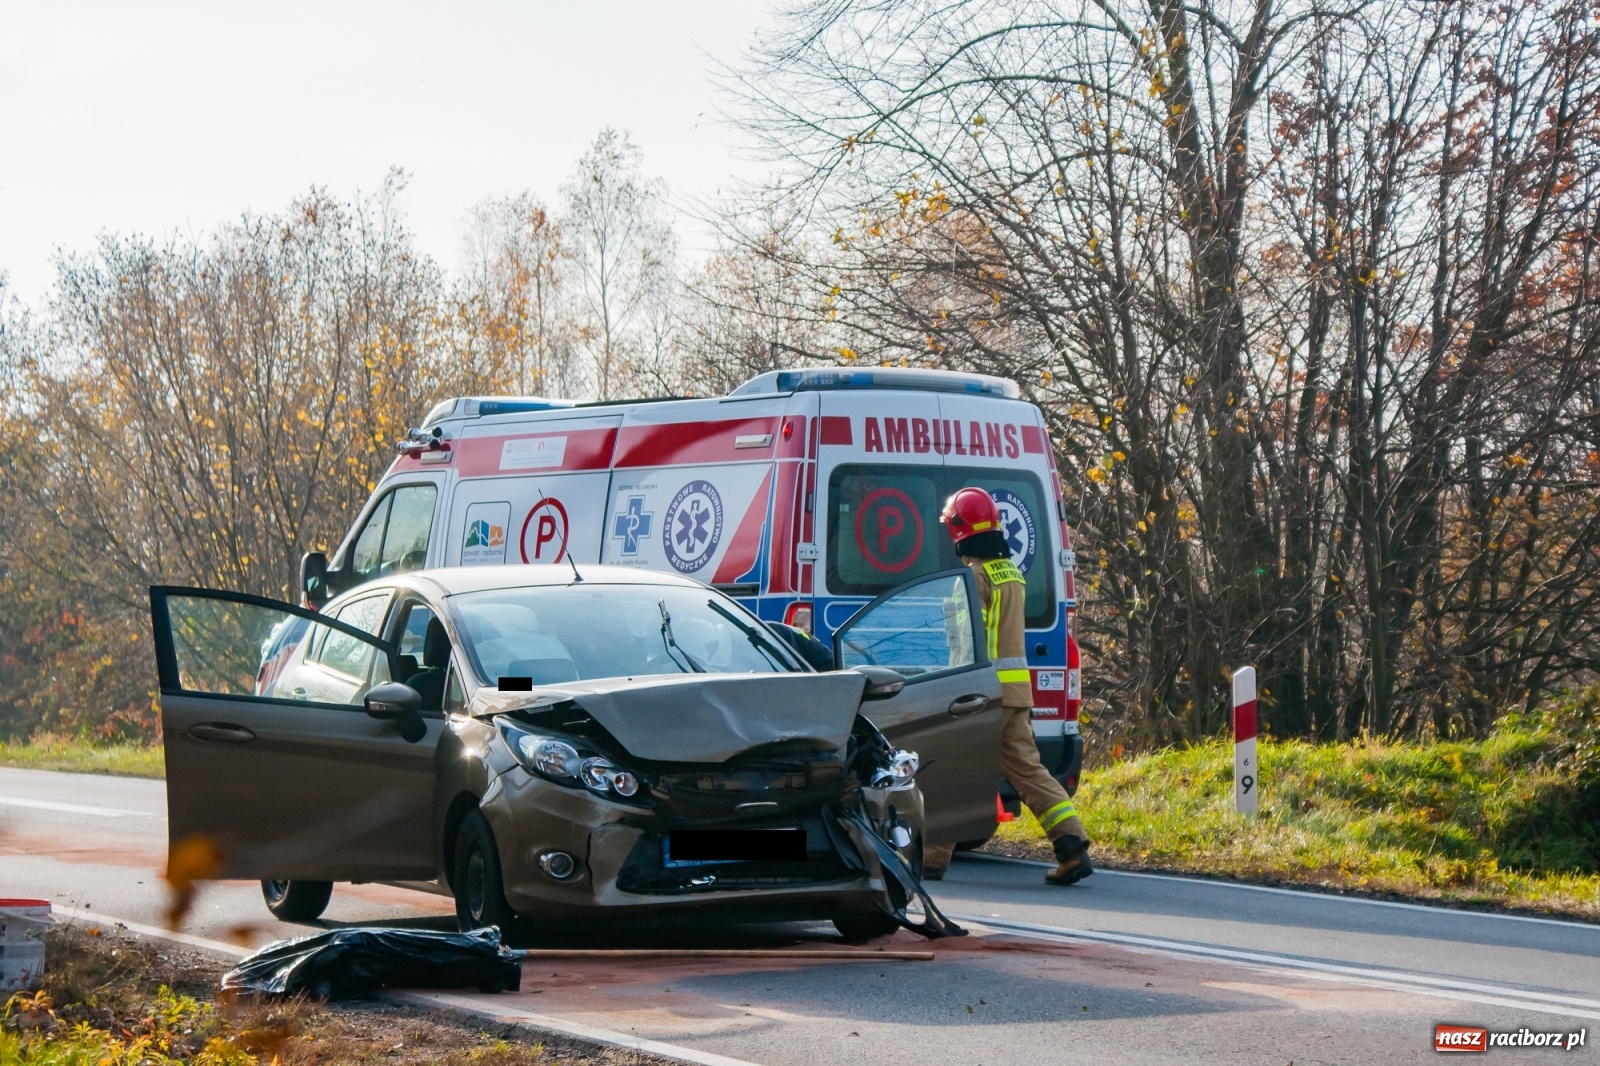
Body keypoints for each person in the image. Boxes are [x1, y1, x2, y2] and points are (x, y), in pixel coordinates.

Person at [923, 487, 1093, 887]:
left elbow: (969, 643)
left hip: (980, 696)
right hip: (1015, 695)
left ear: (960, 531)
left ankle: (930, 859)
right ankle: (1072, 846)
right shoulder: (1011, 572)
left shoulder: (973, 578)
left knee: (950, 770)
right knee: (1029, 771)